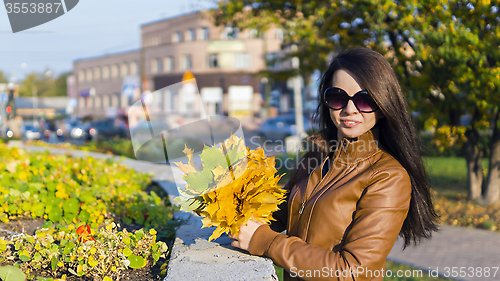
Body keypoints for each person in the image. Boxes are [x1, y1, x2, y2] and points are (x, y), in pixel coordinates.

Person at [229, 48, 439, 281]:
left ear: (382, 105)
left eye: (365, 100)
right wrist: (230, 193)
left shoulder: (388, 177)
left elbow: (352, 271)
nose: (350, 109)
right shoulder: (316, 157)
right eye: (338, 97)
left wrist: (266, 242)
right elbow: (275, 214)